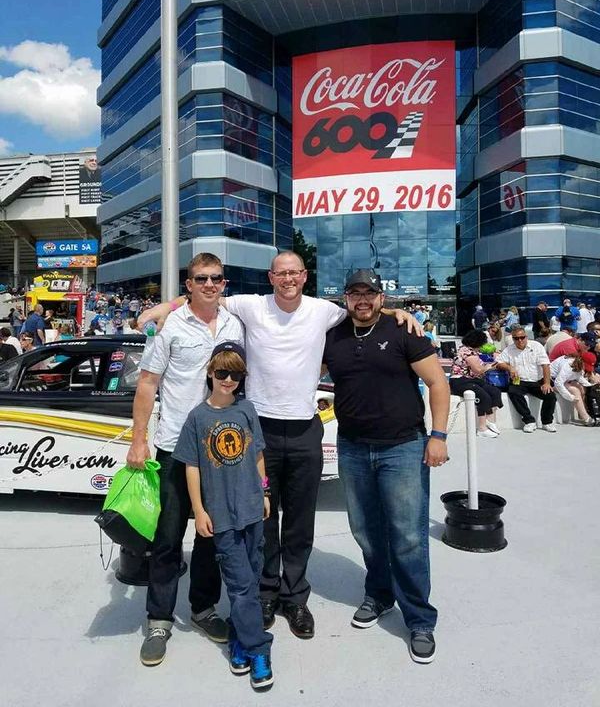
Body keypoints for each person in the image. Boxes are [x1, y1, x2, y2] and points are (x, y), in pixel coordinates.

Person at [139, 252, 422, 640]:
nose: (288, 278)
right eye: (281, 273)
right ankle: (263, 593)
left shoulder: (324, 311)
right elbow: (202, 299)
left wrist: (395, 312)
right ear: (270, 277)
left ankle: (294, 597)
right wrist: (166, 305)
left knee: (300, 521)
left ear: (304, 276)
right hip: (257, 430)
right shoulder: (249, 307)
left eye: (294, 272)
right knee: (259, 519)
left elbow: (364, 310)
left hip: (304, 428)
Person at [322, 269, 450, 664]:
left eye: (369, 293)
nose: (362, 300)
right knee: (365, 529)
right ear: (345, 297)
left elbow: (438, 383)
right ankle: (379, 594)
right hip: (354, 447)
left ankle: (419, 618)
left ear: (380, 297)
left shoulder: (403, 330)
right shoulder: (334, 336)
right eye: (355, 293)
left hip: (403, 447)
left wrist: (438, 436)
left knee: (408, 535)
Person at [126, 253, 245, 667]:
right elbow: (147, 384)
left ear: (223, 283)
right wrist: (139, 440)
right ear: (188, 284)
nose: (209, 284)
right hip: (175, 446)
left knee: (211, 536)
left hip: (220, 450)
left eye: (216, 278)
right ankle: (159, 619)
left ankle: (203, 609)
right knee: (168, 537)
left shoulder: (235, 323)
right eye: (201, 279)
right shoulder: (171, 327)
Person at [173, 343, 274, 690]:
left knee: (251, 579)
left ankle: (238, 639)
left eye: (235, 374)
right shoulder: (198, 418)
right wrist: (199, 510)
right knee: (241, 586)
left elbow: (258, 455)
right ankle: (259, 649)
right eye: (222, 373)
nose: (228, 380)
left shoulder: (247, 411)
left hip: (252, 510)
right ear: (210, 373)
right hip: (221, 515)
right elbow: (192, 468)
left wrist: (264, 491)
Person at [496, 325, 557, 433]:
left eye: (522, 337)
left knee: (550, 396)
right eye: (516, 338)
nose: (520, 340)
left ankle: (547, 422)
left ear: (526, 337)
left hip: (537, 380)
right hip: (520, 380)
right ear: (513, 338)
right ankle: (529, 421)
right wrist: (510, 368)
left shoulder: (537, 346)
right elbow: (499, 363)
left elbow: (545, 365)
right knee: (513, 392)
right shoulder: (509, 350)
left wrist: (547, 383)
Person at [449, 330, 503, 437]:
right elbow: (478, 369)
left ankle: (490, 421)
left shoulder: (474, 351)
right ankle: (482, 428)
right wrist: (489, 366)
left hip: (471, 380)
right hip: (460, 381)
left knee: (494, 391)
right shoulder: (467, 352)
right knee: (483, 396)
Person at [550, 354, 595, 426]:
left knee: (582, 388)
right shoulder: (568, 366)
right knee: (575, 390)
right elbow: (558, 383)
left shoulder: (578, 363)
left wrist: (591, 385)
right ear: (582, 362)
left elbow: (578, 377)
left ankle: (582, 412)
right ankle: (586, 418)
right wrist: (569, 397)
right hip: (551, 381)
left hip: (564, 380)